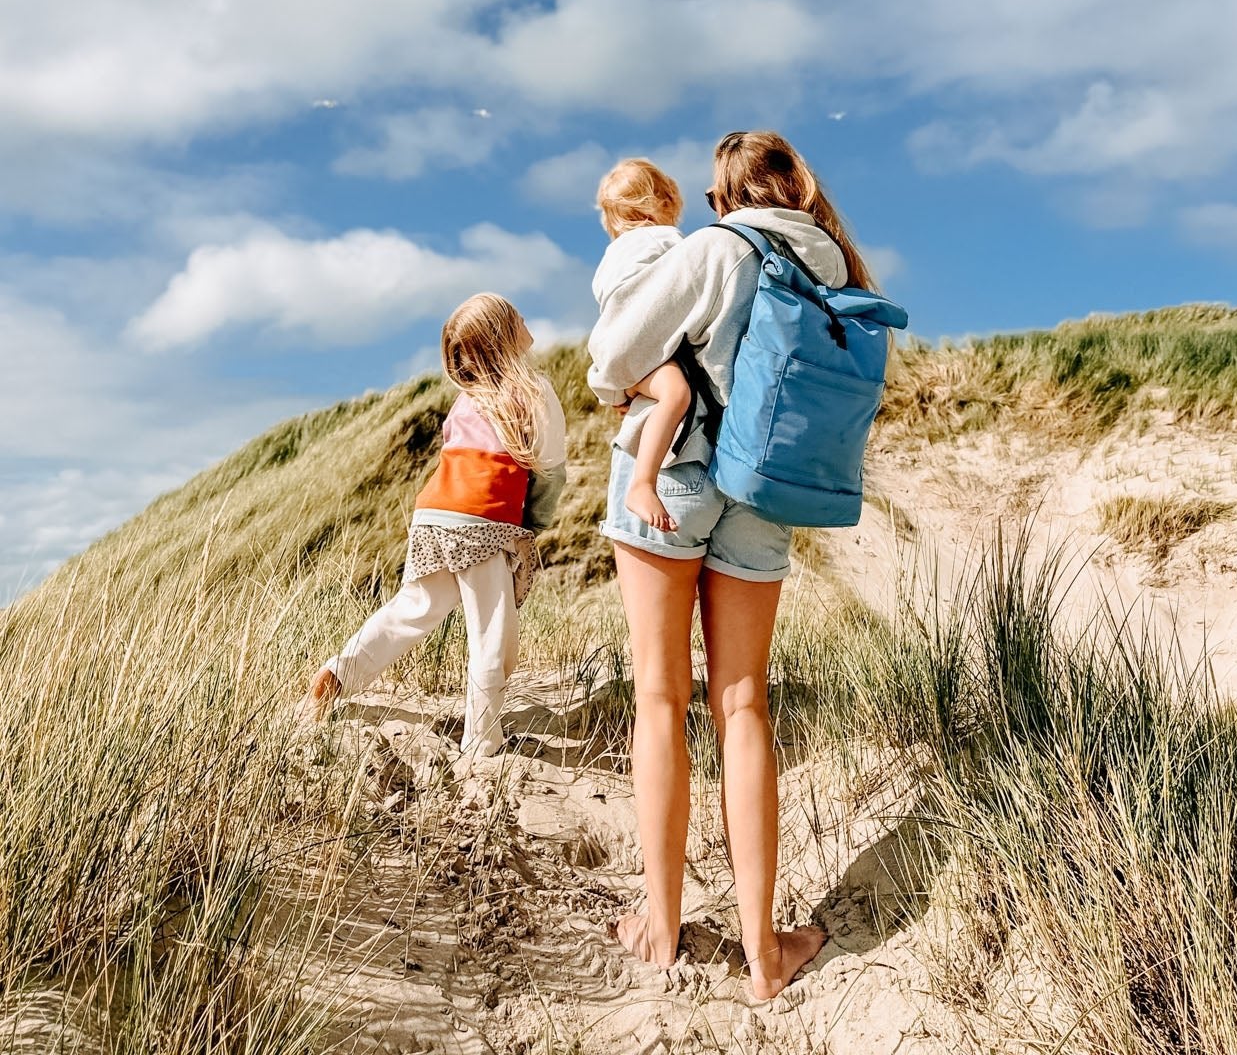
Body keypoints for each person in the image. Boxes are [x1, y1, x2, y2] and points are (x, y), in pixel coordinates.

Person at [587, 130, 874, 1001]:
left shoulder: (717, 247)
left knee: (660, 696)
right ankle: (763, 955)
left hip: (674, 478)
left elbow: (610, 358)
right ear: (799, 184)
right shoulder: (837, 266)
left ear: (723, 195)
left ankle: (661, 928)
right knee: (744, 704)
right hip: (766, 491)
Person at [300, 294, 567, 758]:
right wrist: (534, 524)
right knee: (491, 633)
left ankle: (338, 674)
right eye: (518, 315)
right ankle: (482, 743)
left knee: (413, 608)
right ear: (505, 336)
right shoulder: (533, 391)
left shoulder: (466, 401)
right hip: (481, 522)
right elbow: (551, 469)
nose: (528, 319)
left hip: (433, 515)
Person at [591, 158, 690, 534]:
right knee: (676, 394)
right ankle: (643, 483)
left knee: (653, 390)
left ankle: (625, 392)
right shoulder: (667, 239)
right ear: (664, 201)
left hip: (612, 354)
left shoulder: (610, 256)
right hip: (640, 346)